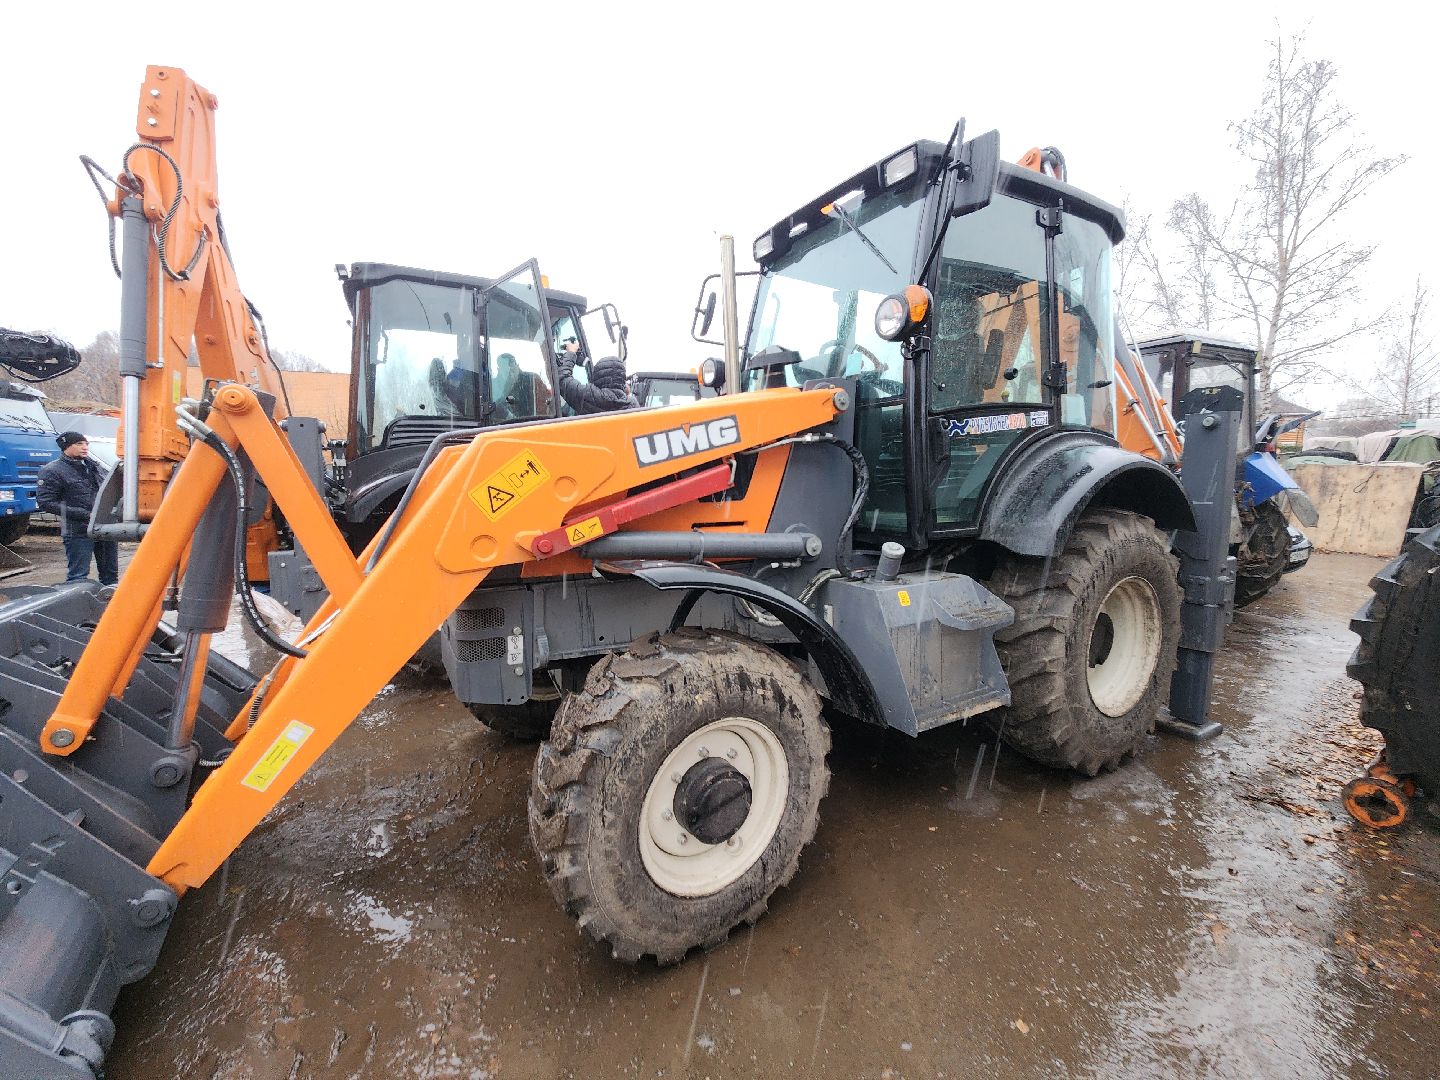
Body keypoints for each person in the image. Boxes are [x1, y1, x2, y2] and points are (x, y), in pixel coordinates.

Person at [36, 431, 118, 586]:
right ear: (66, 447)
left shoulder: (94, 467)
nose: (85, 447)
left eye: (86, 444)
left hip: (105, 527)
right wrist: (84, 514)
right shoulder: (52, 471)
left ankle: (111, 607)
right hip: (77, 530)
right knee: (78, 577)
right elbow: (46, 502)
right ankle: (78, 607)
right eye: (79, 444)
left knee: (110, 577)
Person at [556, 339, 636, 415]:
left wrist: (571, 353)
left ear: (597, 375)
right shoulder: (632, 405)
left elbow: (562, 379)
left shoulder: (589, 396)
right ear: (622, 378)